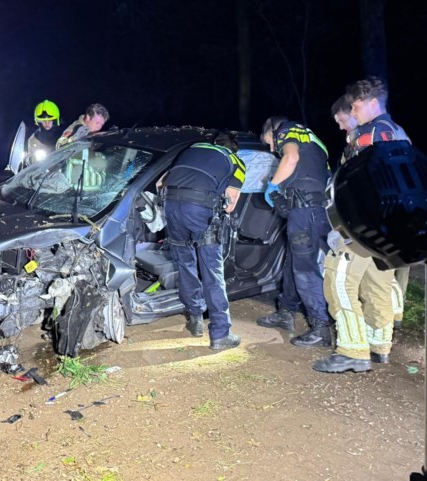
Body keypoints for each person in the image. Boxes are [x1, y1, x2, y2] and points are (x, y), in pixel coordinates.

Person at [314, 77, 411, 373]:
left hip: (365, 225)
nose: (352, 115)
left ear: (371, 103)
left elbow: (363, 185)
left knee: (339, 280)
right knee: (379, 282)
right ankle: (379, 345)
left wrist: (344, 228)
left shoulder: (373, 134)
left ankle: (352, 352)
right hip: (390, 225)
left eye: (354, 107)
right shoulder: (397, 132)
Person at [161, 132, 246, 350]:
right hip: (200, 209)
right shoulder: (235, 160)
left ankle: (195, 319)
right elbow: (231, 202)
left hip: (172, 206)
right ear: (233, 149)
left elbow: (161, 183)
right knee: (212, 269)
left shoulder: (191, 149)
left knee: (185, 263)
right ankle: (220, 334)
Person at [256, 116, 333, 347]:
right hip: (316, 211)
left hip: (305, 211)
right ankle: (286, 312)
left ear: (272, 129)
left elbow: (290, 157)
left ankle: (320, 327)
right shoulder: (316, 143)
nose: (272, 148)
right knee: (293, 263)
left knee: (305, 270)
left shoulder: (289, 130)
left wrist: (272, 186)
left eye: (269, 141)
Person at [26, 100, 63, 166]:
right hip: (43, 172)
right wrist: (31, 159)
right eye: (44, 121)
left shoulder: (63, 135)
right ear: (39, 121)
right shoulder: (33, 140)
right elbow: (29, 159)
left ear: (54, 120)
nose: (47, 123)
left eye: (49, 120)